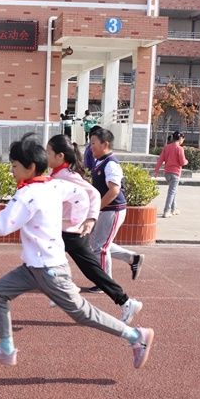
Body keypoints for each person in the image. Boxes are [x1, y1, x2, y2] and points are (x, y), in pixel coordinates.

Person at [0, 133, 154, 368]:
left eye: (14, 166)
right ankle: (6, 348)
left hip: (49, 270)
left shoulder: (28, 194)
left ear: (30, 167)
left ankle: (136, 337)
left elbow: (3, 225)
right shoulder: (54, 184)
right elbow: (83, 193)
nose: (11, 171)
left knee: (82, 313)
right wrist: (78, 220)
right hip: (32, 267)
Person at [46, 134, 143, 323]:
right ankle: (63, 289)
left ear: (60, 156)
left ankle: (126, 302)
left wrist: (91, 218)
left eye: (48, 152)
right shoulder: (58, 174)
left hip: (72, 232)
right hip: (63, 231)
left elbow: (93, 194)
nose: (45, 155)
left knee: (90, 270)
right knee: (52, 261)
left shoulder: (68, 176)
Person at [88, 128, 145, 284]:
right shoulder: (99, 161)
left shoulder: (111, 164)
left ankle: (104, 283)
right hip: (105, 209)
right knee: (96, 244)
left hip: (112, 210)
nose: (90, 146)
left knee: (100, 247)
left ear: (105, 144)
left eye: (93, 143)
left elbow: (114, 190)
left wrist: (96, 207)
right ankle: (133, 258)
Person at [154, 131, 188, 218]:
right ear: (180, 139)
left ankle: (174, 209)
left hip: (167, 173)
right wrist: (186, 161)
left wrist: (156, 171)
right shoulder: (180, 149)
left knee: (173, 191)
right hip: (175, 173)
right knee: (172, 192)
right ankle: (167, 210)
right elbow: (182, 162)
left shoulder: (167, 147)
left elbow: (160, 159)